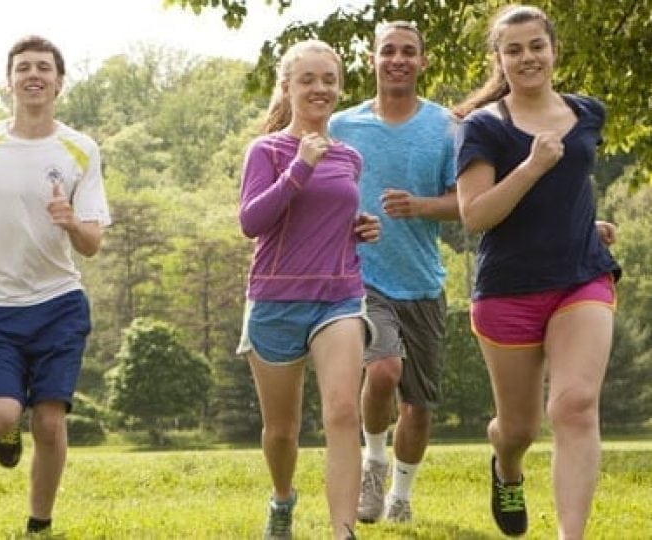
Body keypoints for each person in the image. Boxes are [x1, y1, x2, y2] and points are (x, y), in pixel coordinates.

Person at [453, 5, 621, 538]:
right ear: (499, 59)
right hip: (507, 289)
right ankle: (506, 468)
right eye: (514, 49)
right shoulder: (484, 127)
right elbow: (476, 214)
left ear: (553, 50)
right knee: (519, 428)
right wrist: (530, 166)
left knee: (574, 405)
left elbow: (569, 189)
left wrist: (586, 223)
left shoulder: (587, 113)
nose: (527, 57)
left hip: (582, 277)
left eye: (536, 46)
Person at [0, 35, 110, 536]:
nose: (33, 75)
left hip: (59, 304)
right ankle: (5, 434)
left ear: (59, 80)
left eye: (43, 67)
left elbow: (93, 242)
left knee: (51, 422)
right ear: (8, 80)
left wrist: (71, 221)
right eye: (23, 68)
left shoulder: (80, 149)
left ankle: (39, 523)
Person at [237, 39, 381, 540]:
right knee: (281, 431)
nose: (320, 89)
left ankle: (343, 532)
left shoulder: (350, 157)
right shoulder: (267, 150)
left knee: (343, 410)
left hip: (339, 295)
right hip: (275, 299)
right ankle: (282, 499)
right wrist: (300, 166)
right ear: (288, 87)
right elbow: (252, 222)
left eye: (328, 80)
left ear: (339, 87)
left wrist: (359, 225)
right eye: (308, 80)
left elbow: (330, 215)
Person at [328, 21, 459, 524]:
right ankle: (373, 465)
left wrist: (420, 206)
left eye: (408, 52)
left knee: (419, 407)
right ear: (372, 60)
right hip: (364, 279)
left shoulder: (446, 127)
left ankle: (401, 495)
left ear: (423, 61)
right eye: (388, 52)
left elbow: (468, 204)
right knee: (383, 370)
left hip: (424, 281)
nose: (398, 59)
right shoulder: (343, 127)